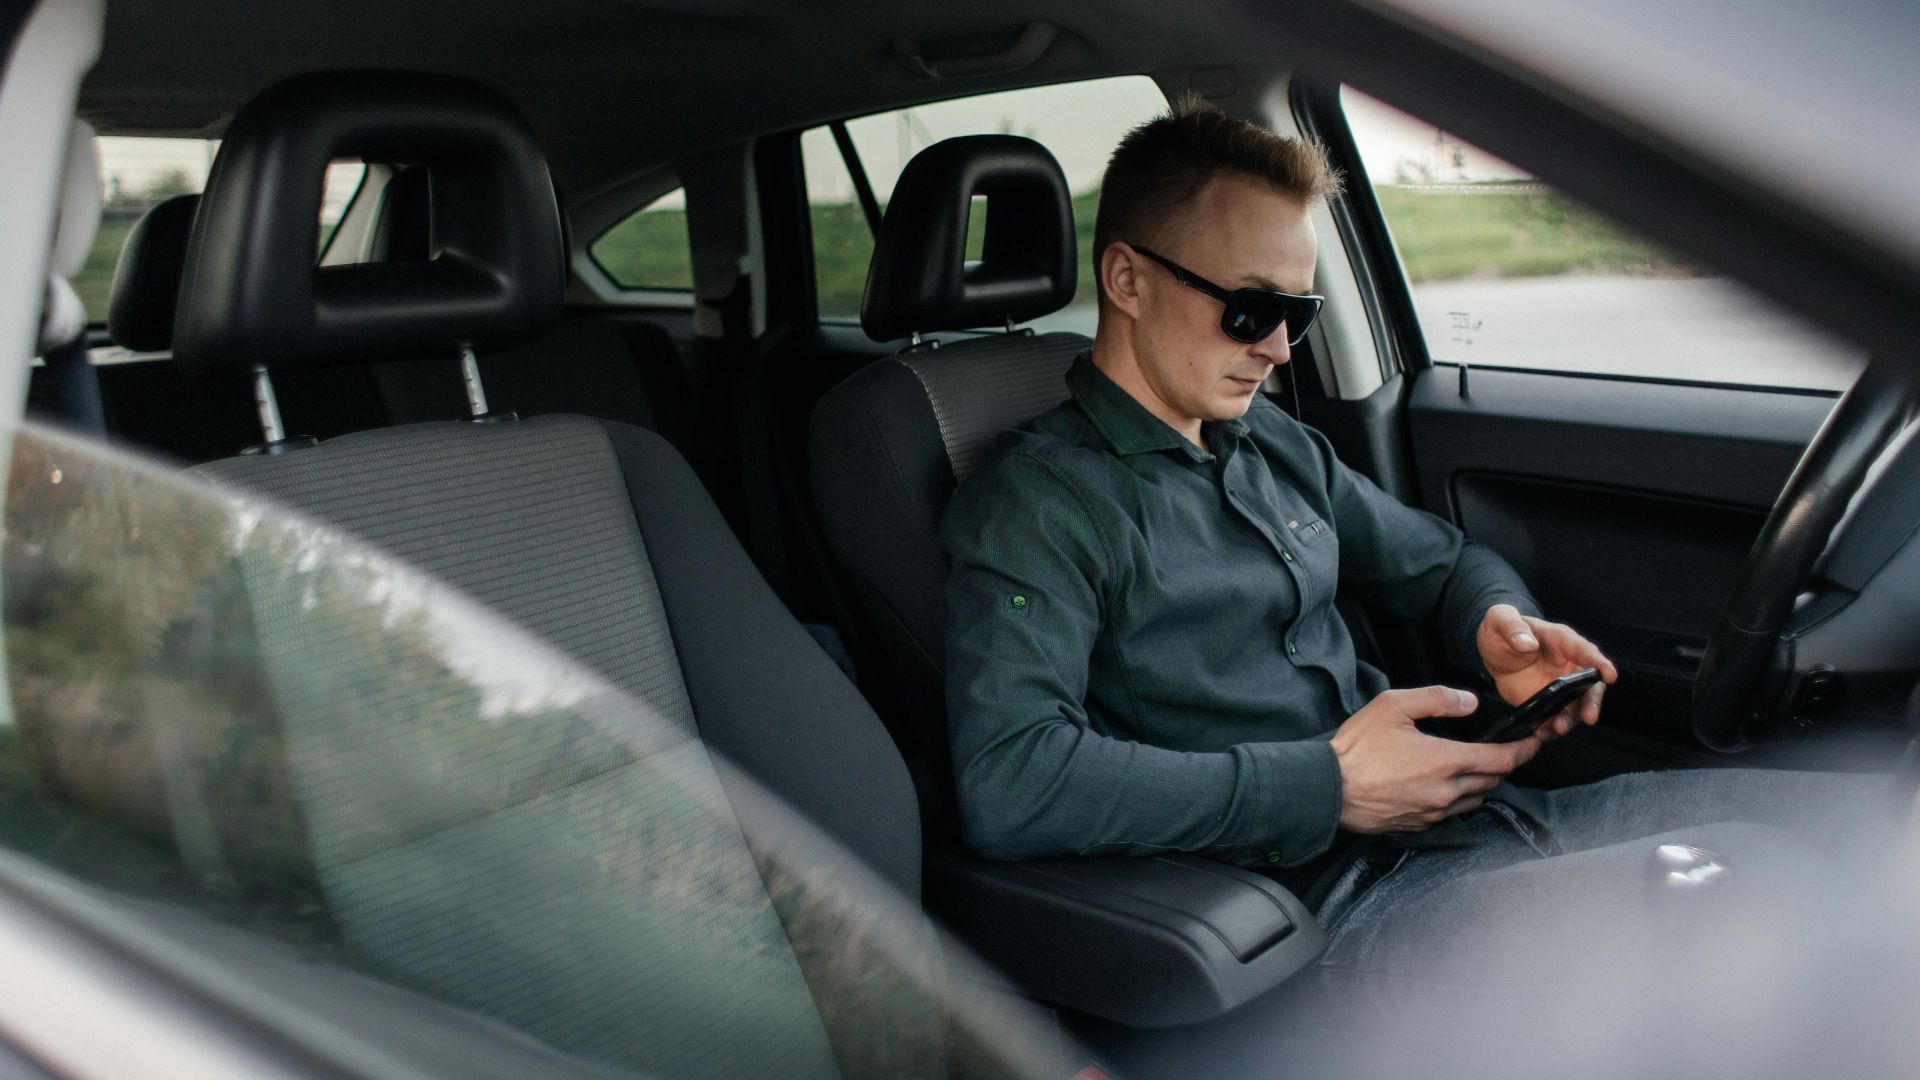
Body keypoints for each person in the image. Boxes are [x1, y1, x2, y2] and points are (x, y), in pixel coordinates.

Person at [940, 97, 1887, 1007]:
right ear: (1128, 280)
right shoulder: (1041, 501)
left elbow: (1439, 563)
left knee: (1881, 827)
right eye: (1248, 310)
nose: (1276, 349)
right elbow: (1014, 781)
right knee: (1769, 908)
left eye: (1298, 317)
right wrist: (1329, 786)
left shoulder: (1272, 443)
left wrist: (1496, 627)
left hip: (1484, 824)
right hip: (1329, 913)